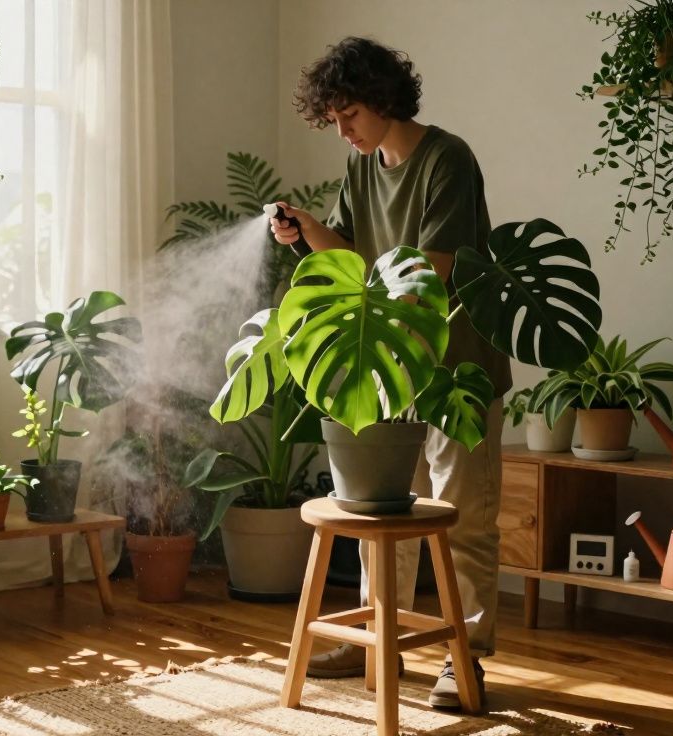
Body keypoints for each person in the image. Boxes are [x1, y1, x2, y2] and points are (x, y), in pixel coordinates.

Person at [270, 36, 512, 710]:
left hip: (457, 367)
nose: (342, 131)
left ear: (381, 100)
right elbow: (350, 253)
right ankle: (380, 638)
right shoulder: (364, 167)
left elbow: (434, 265)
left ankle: (466, 660)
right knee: (385, 515)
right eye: (335, 120)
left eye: (348, 115)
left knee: (464, 519)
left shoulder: (447, 159)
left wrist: (371, 304)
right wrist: (308, 231)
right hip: (386, 366)